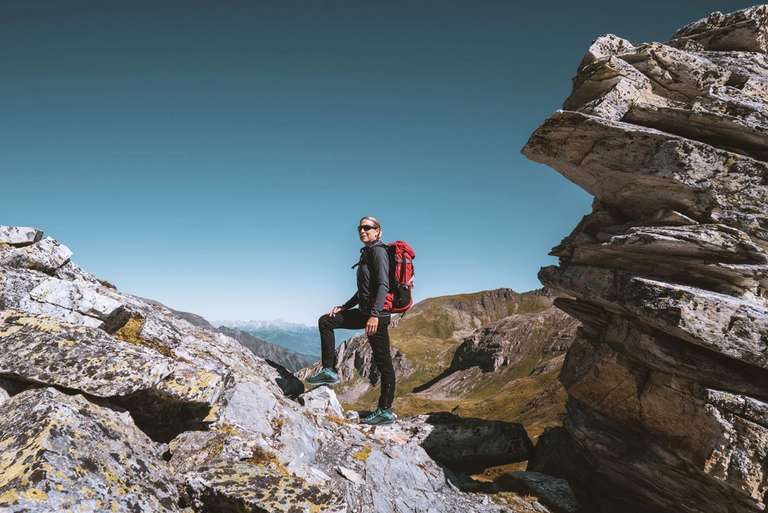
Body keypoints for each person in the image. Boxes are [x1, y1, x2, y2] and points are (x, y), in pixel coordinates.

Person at [307, 216, 396, 425]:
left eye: (368, 227)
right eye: (360, 228)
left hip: (377, 316)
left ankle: (385, 411)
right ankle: (329, 371)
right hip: (366, 312)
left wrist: (375, 314)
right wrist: (345, 307)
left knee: (384, 363)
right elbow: (363, 290)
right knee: (326, 321)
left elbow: (383, 285)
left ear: (378, 231)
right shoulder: (367, 253)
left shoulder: (379, 252)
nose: (363, 231)